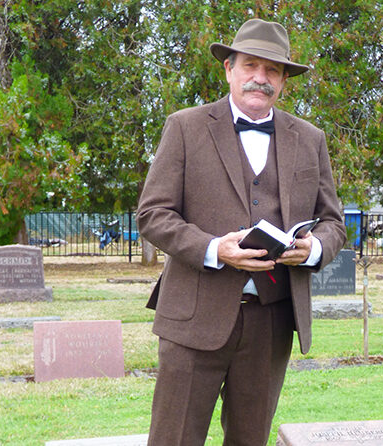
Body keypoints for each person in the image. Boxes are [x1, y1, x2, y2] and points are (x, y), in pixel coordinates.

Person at [137, 18, 346, 446]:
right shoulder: (184, 127)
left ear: (284, 80)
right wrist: (215, 248)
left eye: (272, 70)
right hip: (194, 318)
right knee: (174, 439)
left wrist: (312, 250)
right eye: (250, 65)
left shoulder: (310, 139)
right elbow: (153, 213)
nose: (260, 78)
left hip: (271, 320)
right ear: (228, 69)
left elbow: (334, 223)